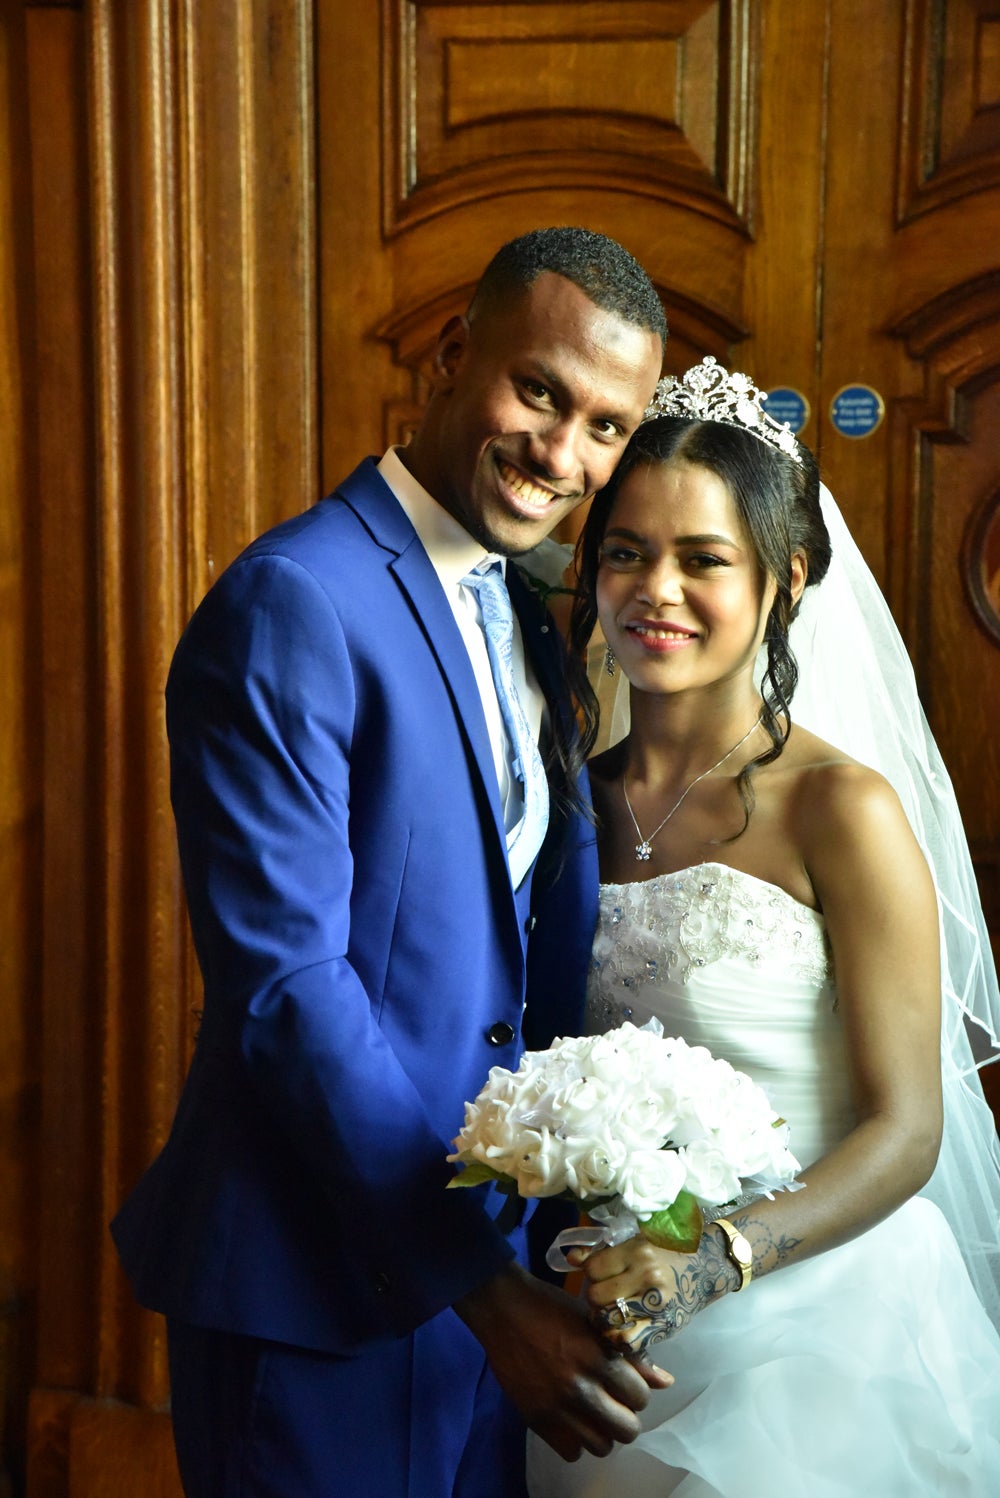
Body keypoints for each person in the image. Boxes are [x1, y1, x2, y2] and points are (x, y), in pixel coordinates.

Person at [110, 227, 670, 1498]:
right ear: (451, 351)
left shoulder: (529, 612)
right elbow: (286, 990)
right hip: (318, 1288)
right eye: (540, 392)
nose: (563, 457)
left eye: (605, 426)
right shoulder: (296, 599)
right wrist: (481, 1288)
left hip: (483, 1295)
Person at [527, 357, 1000, 1496]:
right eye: (627, 551)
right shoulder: (569, 800)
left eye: (704, 560)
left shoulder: (842, 809)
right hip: (602, 1334)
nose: (656, 590)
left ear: (784, 580)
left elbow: (906, 1131)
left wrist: (717, 1257)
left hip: (816, 1332)